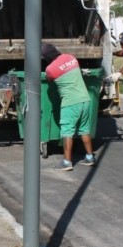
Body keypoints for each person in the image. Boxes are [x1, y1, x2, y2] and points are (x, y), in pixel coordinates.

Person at [41, 43, 96, 171]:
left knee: (67, 132)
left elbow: (49, 79)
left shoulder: (50, 69)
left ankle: (67, 162)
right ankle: (89, 157)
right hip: (85, 99)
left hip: (70, 103)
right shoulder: (71, 58)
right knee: (84, 129)